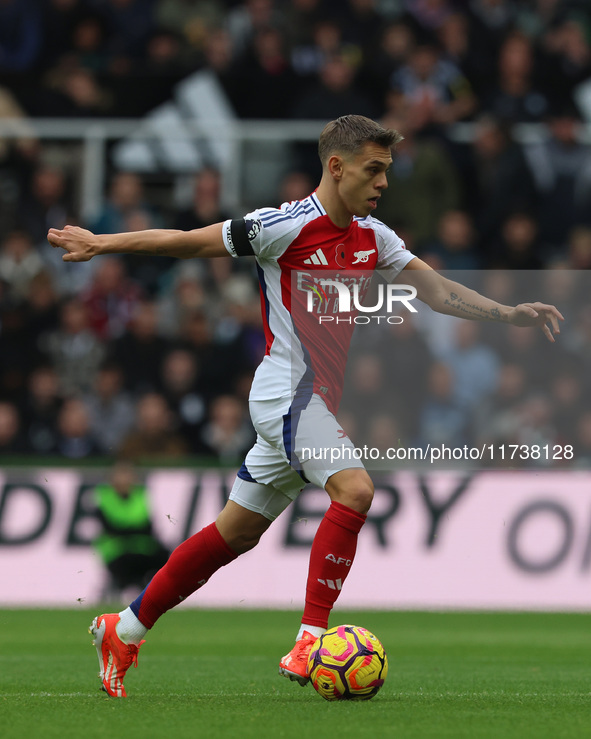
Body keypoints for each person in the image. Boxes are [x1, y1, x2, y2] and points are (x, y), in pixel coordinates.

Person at [47, 114, 563, 699]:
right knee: (357, 491)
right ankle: (310, 639)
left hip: (310, 403)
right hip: (287, 392)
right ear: (336, 167)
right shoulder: (283, 226)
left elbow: (437, 290)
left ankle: (125, 627)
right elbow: (189, 242)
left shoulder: (376, 236)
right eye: (375, 170)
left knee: (234, 535)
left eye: (388, 171)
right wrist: (101, 243)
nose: (383, 183)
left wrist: (509, 313)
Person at [93, 460, 170, 597]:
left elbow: (148, 526)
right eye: (121, 475)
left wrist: (128, 530)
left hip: (140, 546)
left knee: (166, 555)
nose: (124, 479)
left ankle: (161, 594)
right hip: (116, 549)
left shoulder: (140, 495)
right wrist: (134, 530)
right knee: (128, 562)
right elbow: (111, 528)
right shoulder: (104, 497)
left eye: (128, 475)